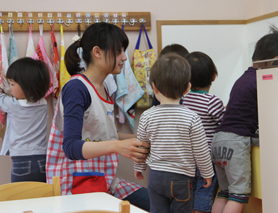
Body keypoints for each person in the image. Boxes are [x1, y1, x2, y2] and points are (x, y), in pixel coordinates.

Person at [45, 23, 150, 211]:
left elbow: (105, 133)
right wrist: (118, 146)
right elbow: (71, 147)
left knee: (155, 202)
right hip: (76, 187)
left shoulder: (105, 87)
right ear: (97, 52)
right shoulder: (77, 88)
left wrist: (140, 138)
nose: (124, 58)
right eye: (119, 52)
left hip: (103, 181)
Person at [211, 26, 278, 213]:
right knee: (238, 196)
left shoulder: (243, 78)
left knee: (224, 193)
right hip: (237, 142)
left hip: (219, 140)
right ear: (276, 61)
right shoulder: (265, 80)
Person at [134, 53, 214, 213]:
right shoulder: (192, 117)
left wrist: (139, 166)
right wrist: (207, 173)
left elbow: (142, 145)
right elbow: (201, 150)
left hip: (155, 177)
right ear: (187, 88)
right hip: (182, 179)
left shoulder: (147, 116)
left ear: (154, 87)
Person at [183, 51, 225, 213]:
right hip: (206, 159)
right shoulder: (212, 102)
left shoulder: (182, 99)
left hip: (187, 158)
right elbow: (225, 123)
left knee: (189, 196)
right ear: (213, 76)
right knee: (203, 196)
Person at [0, 57, 50, 183]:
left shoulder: (14, 104)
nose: (10, 89)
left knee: (20, 198)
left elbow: (1, 99)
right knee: (40, 195)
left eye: (12, 84)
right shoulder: (43, 104)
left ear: (27, 86)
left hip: (21, 160)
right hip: (43, 158)